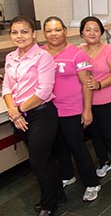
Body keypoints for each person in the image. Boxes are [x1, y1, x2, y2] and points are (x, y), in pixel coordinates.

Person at [2, 15, 65, 216]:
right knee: (45, 158)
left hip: (41, 115)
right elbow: (6, 87)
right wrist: (14, 111)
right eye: (14, 32)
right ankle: (58, 195)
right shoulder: (11, 58)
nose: (19, 36)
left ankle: (48, 204)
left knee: (37, 161)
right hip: (20, 115)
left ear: (34, 34)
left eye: (24, 31)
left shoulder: (43, 57)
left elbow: (44, 91)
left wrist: (18, 110)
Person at [43, 16, 101, 202]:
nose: (53, 34)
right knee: (59, 146)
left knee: (77, 146)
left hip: (72, 110)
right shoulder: (41, 54)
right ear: (44, 33)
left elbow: (87, 84)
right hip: (50, 111)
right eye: (49, 30)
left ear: (65, 31)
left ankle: (92, 183)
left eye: (57, 29)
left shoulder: (78, 54)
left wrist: (87, 110)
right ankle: (67, 175)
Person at [80, 16, 111, 179]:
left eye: (96, 29)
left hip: (108, 101)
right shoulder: (78, 51)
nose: (92, 33)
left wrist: (99, 84)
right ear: (82, 33)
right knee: (95, 135)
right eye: (88, 29)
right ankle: (104, 162)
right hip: (88, 102)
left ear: (101, 32)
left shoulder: (109, 50)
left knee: (110, 134)